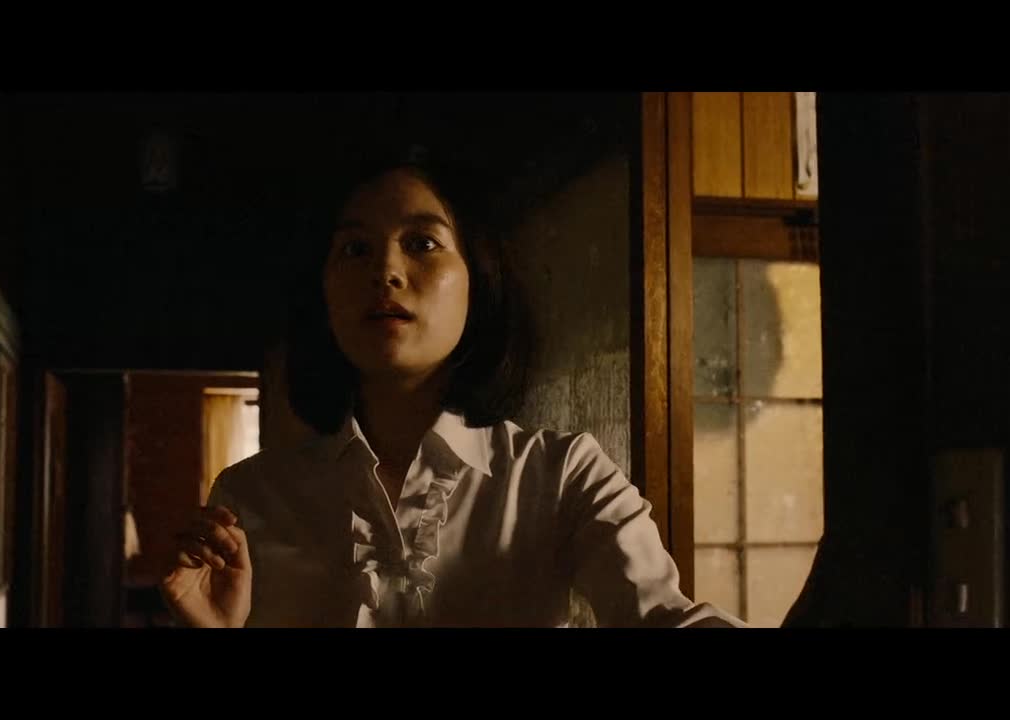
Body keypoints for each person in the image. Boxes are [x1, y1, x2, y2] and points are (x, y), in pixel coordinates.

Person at [159, 147, 743, 628]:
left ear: (476, 282)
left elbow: (663, 617)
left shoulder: (560, 475)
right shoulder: (249, 496)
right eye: (355, 249)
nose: (385, 271)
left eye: (422, 243)